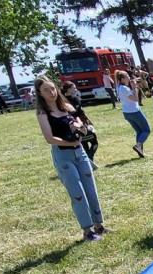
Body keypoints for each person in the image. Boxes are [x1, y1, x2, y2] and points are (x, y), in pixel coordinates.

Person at [34, 76, 107, 242]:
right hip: (63, 155)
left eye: (52, 88)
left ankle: (99, 225)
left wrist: (80, 128)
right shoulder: (43, 112)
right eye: (46, 90)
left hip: (79, 152)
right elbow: (49, 138)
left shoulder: (67, 106)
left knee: (91, 188)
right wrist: (69, 141)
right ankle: (87, 230)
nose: (51, 92)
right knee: (77, 192)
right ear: (40, 93)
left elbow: (82, 128)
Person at [61, 83, 99, 170]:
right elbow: (80, 112)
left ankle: (88, 162)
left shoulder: (62, 100)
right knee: (94, 142)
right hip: (81, 123)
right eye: (74, 88)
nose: (75, 89)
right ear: (69, 89)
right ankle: (89, 158)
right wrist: (88, 120)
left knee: (84, 143)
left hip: (71, 124)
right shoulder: (74, 99)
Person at [116, 70, 150, 158]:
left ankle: (140, 151)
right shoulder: (125, 88)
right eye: (127, 77)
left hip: (127, 112)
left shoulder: (119, 87)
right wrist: (135, 87)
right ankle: (138, 146)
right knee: (146, 130)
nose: (129, 79)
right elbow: (135, 99)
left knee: (139, 131)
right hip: (134, 111)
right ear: (122, 79)